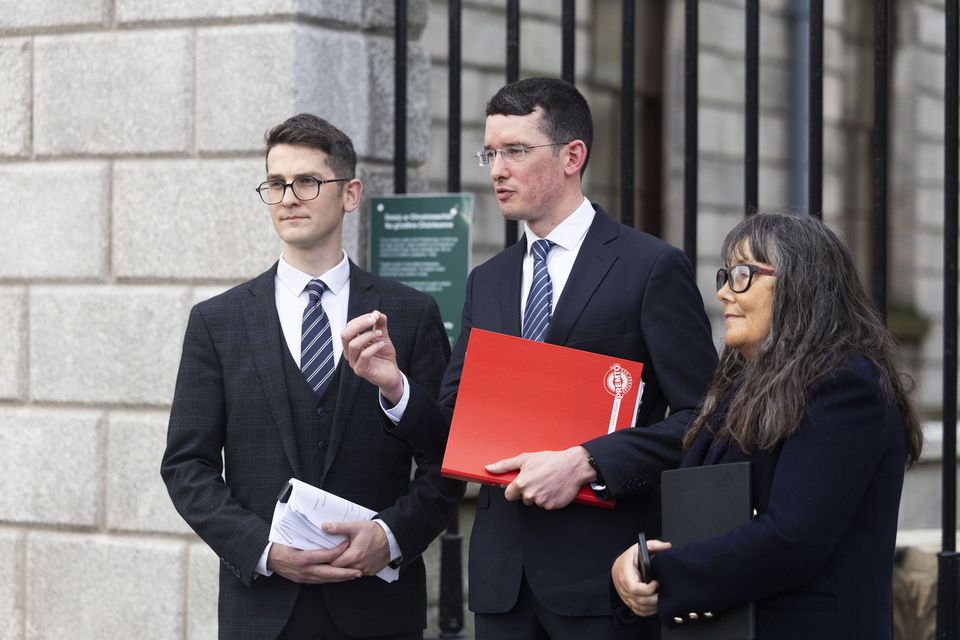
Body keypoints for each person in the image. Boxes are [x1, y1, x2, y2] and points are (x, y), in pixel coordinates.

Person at [341, 77, 717, 639]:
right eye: (490, 152)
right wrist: (394, 386)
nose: (496, 169)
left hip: (604, 580)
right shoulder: (488, 280)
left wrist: (587, 462)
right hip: (502, 583)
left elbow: (705, 419)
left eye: (515, 150)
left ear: (572, 156)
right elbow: (453, 429)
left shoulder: (650, 267)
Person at [161, 113, 463, 640]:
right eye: (275, 184)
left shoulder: (410, 314)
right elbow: (188, 466)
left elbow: (447, 460)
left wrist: (390, 536)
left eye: (307, 181)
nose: (288, 197)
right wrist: (264, 551)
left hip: (378, 610)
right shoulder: (218, 322)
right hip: (262, 612)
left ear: (350, 195)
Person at [611, 212, 923, 639]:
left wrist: (661, 573)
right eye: (725, 274)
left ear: (801, 283)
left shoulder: (846, 385)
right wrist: (636, 562)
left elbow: (792, 540)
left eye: (743, 275)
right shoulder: (742, 383)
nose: (723, 292)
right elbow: (701, 510)